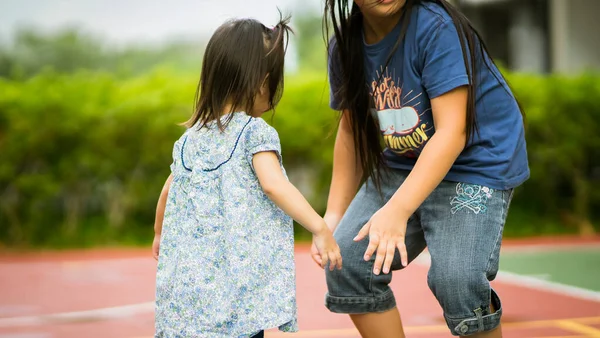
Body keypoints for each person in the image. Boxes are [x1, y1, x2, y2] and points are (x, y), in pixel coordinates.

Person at [317, 0, 529, 336]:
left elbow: (452, 132)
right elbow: (351, 131)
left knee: (457, 280)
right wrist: (333, 213)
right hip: (406, 160)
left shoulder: (435, 27)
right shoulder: (345, 45)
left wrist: (398, 209)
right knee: (347, 262)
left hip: (475, 162)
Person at [152, 16, 342, 338]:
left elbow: (169, 190)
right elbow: (274, 185)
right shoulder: (254, 133)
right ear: (261, 81)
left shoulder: (189, 139)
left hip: (190, 298)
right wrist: (320, 226)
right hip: (234, 295)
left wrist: (159, 234)